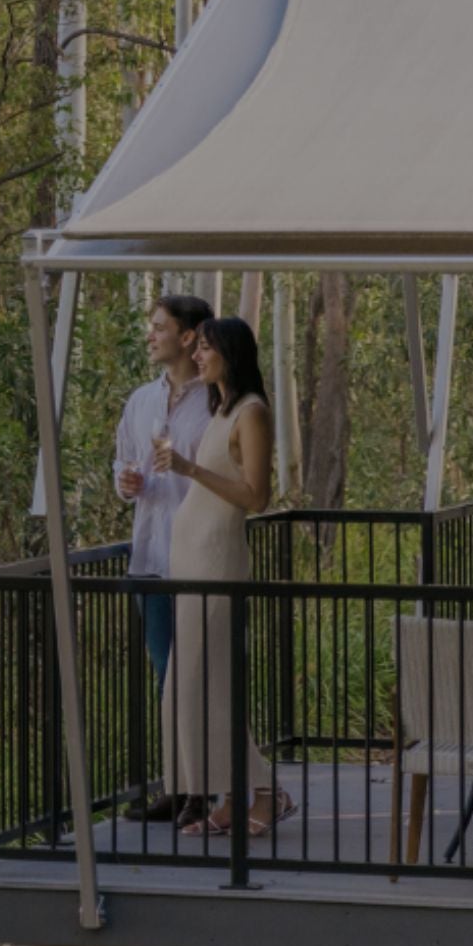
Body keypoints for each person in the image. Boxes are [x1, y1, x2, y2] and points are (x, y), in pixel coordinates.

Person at [154, 315, 293, 836]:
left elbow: (256, 497)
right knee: (192, 685)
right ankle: (234, 796)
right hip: (189, 562)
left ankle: (264, 792)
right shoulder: (220, 409)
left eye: (206, 348)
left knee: (206, 683)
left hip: (218, 560)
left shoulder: (252, 413)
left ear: (229, 353)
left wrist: (191, 471)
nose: (198, 356)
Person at [113, 295, 213, 823]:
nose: (150, 336)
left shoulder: (217, 401)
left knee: (199, 675)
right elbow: (124, 463)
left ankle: (205, 789)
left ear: (191, 335)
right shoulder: (140, 401)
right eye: (150, 327)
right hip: (151, 555)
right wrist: (126, 483)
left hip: (199, 558)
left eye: (159, 328)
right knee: (163, 674)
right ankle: (176, 786)